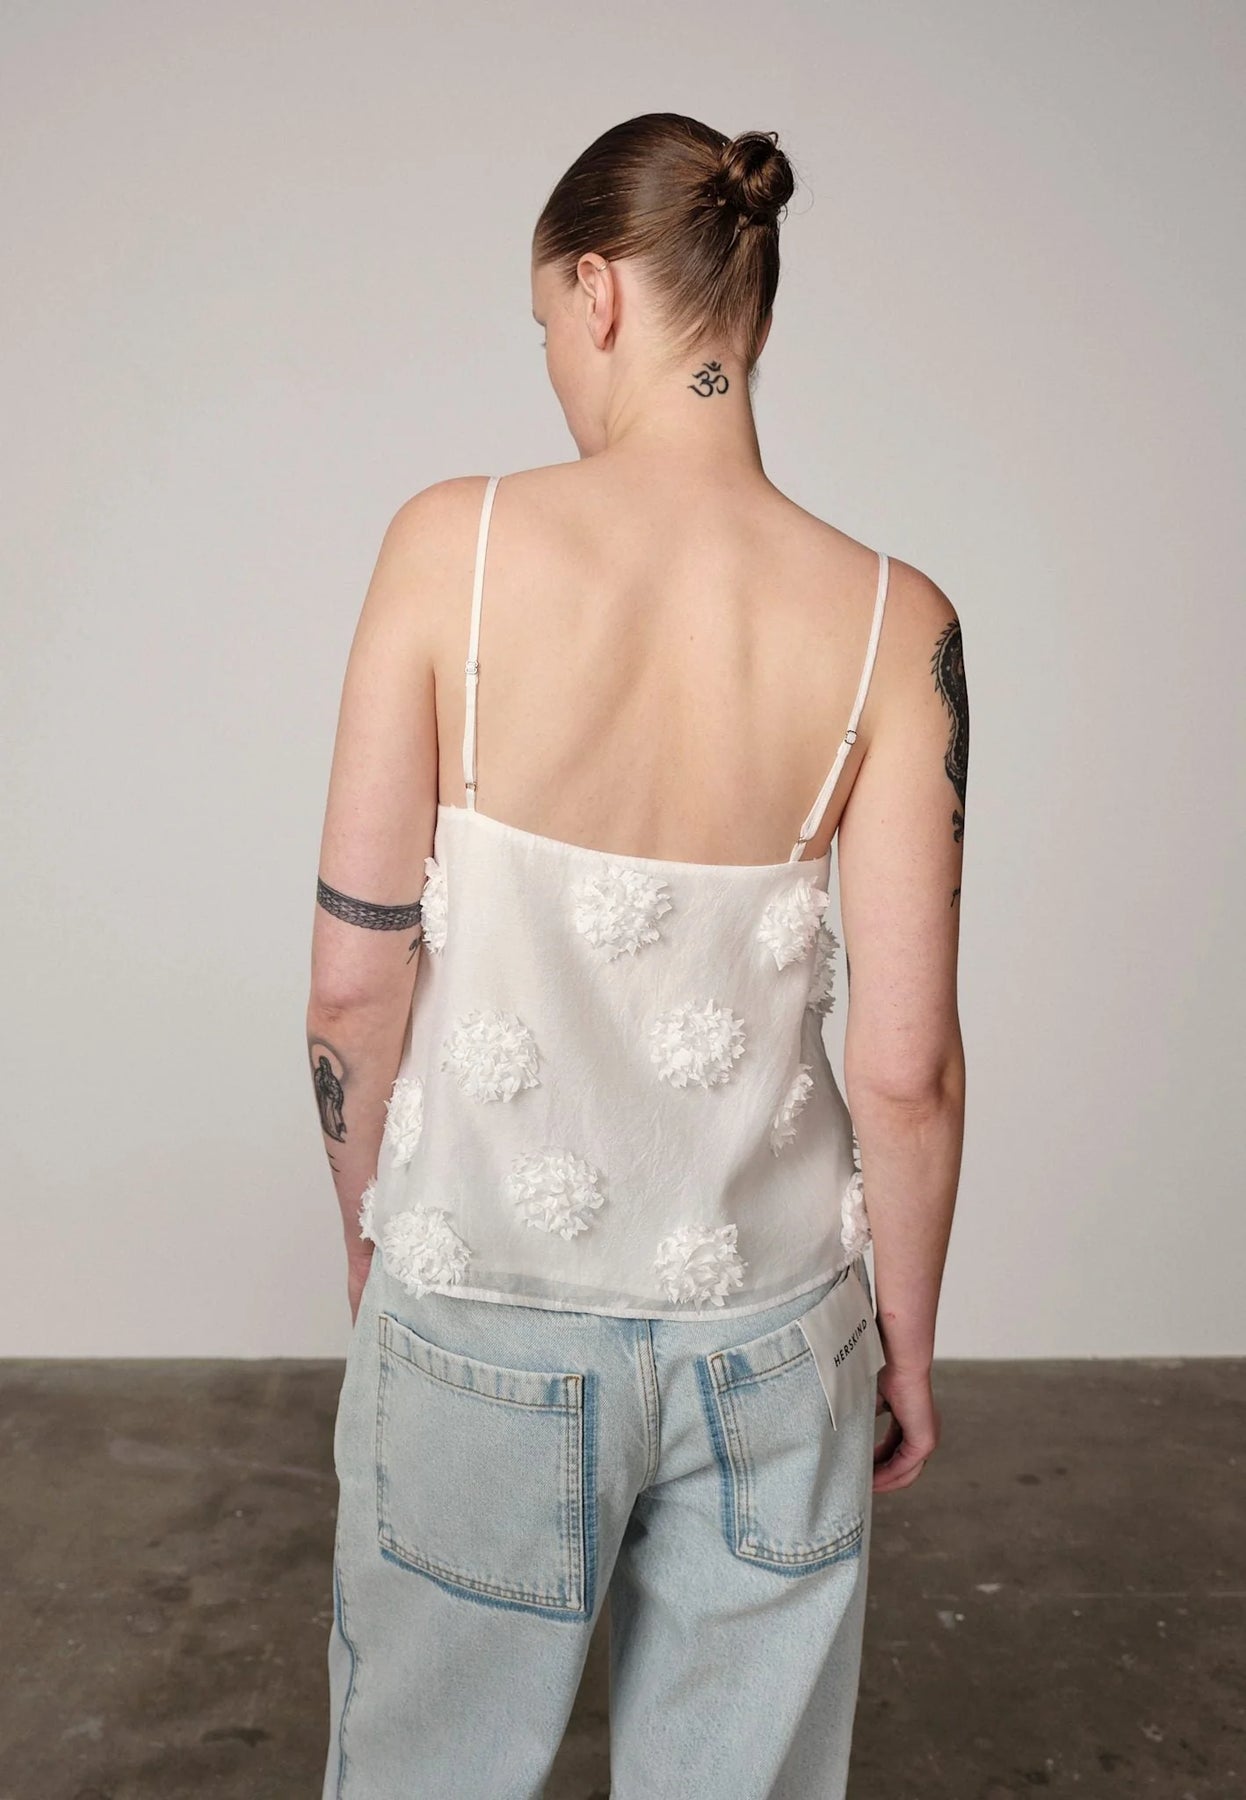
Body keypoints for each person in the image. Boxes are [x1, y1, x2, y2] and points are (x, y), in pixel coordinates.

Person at [307, 111, 967, 1800]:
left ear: (596, 292)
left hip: (481, 1305)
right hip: (773, 1340)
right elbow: (904, 1068)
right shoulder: (895, 624)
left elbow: (354, 980)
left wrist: (377, 1234)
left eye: (543, 321)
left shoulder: (447, 545)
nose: (551, 360)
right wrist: (901, 1340)